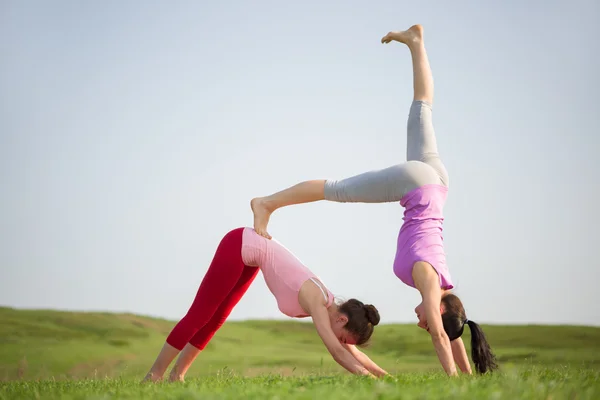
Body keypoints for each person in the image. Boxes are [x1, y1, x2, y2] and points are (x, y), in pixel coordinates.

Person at [250, 25, 498, 376]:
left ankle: (416, 42)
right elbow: (443, 336)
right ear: (438, 312)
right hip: (418, 186)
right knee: (337, 189)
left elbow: (451, 332)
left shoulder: (445, 287)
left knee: (422, 109)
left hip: (438, 184)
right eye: (428, 324)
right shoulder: (429, 280)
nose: (422, 324)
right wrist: (455, 383)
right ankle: (267, 203)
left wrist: (471, 379)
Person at [143, 227, 387, 382]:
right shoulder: (317, 301)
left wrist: (385, 377)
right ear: (341, 320)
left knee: (216, 319)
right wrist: (368, 380)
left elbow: (349, 351)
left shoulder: (330, 305)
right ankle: (154, 375)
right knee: (200, 315)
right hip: (239, 243)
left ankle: (177, 376)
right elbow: (336, 351)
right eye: (344, 337)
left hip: (251, 255)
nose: (344, 344)